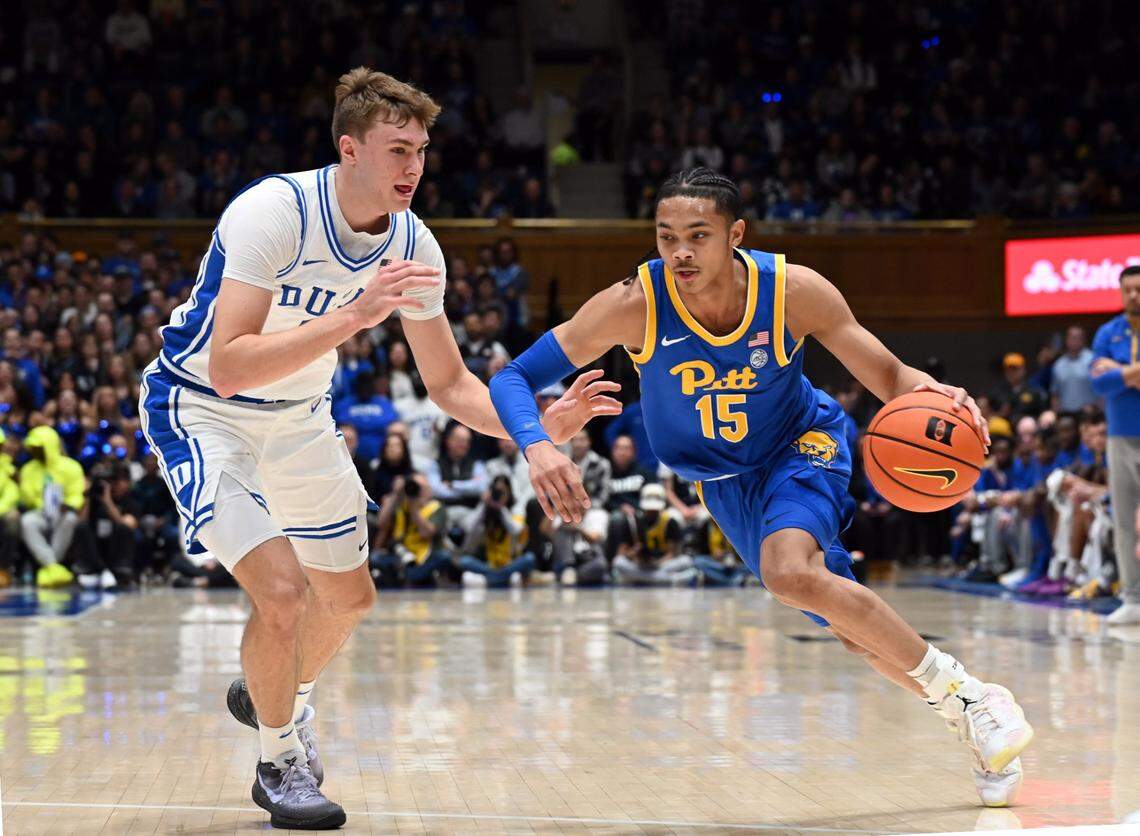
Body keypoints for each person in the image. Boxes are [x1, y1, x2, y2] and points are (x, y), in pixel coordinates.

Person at [137, 67, 619, 830]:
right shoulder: (274, 211)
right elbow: (228, 365)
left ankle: (271, 689)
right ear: (349, 149)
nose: (413, 168)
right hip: (203, 412)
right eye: (397, 150)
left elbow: (451, 385)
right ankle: (279, 761)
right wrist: (355, 315)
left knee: (351, 598)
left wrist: (535, 430)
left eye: (422, 150)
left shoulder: (414, 242)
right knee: (285, 594)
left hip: (298, 416)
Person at [491, 168, 1032, 808]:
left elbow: (888, 373)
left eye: (698, 235)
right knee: (849, 625)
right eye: (667, 237)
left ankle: (969, 695)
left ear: (735, 234)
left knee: (787, 572)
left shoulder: (792, 292)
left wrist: (939, 398)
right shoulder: (632, 303)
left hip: (802, 445)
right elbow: (512, 377)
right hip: (723, 485)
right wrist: (538, 446)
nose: (680, 252)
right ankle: (967, 708)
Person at [1091, 265, 1140, 625]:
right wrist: (1131, 373)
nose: (1134, 296)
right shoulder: (1108, 333)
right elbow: (1100, 384)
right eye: (1129, 290)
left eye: (1139, 289)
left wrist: (1119, 371)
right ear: (1120, 292)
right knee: (1123, 517)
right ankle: (1133, 597)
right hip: (1120, 435)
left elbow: (1111, 377)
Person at [19, 425, 85, 588]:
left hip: (63, 513)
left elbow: (77, 493)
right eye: (32, 447)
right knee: (27, 521)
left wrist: (69, 504)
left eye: (38, 447)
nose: (34, 451)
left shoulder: (71, 466)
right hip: (40, 513)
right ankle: (53, 566)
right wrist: (41, 504)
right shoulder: (28, 469)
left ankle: (50, 567)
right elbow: (26, 499)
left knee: (70, 519)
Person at [458, 475, 535, 588]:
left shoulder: (515, 509)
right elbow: (470, 527)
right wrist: (484, 504)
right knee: (464, 561)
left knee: (529, 558)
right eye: (496, 492)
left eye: (502, 492)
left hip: (510, 564)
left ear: (509, 493)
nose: (498, 495)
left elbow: (515, 529)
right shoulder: (486, 510)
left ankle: (494, 577)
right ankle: (499, 577)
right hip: (490, 565)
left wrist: (500, 508)